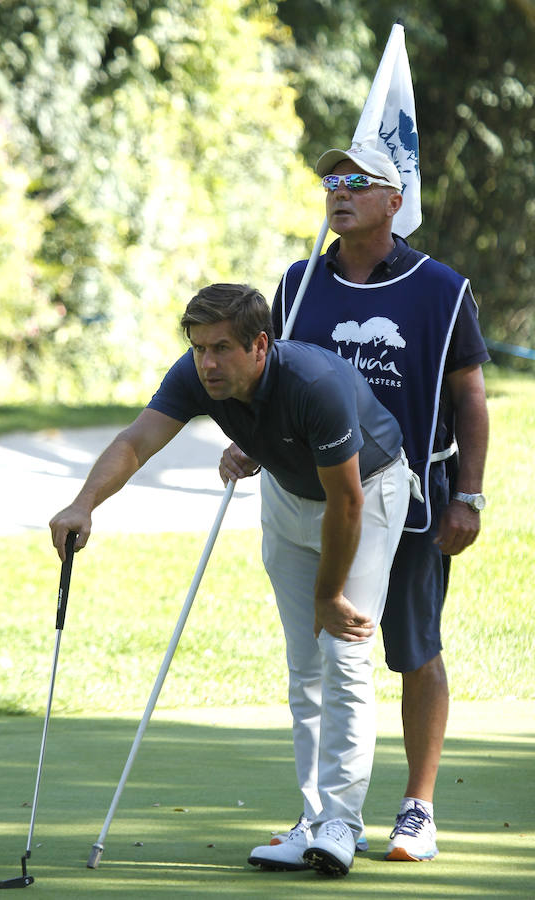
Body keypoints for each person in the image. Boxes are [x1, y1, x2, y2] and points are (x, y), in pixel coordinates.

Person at [50, 282, 418, 877]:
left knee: (344, 651)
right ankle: (313, 818)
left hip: (367, 493)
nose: (208, 363)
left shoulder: (314, 384)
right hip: (289, 492)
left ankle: (341, 828)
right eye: (198, 348)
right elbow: (137, 441)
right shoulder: (197, 375)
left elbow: (345, 502)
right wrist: (83, 504)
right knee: (304, 664)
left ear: (260, 346)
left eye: (221, 348)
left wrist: (329, 596)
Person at [221, 146, 489, 862]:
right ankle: (324, 818)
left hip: (419, 491)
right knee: (324, 652)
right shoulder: (302, 281)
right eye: (332, 182)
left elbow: (469, 396)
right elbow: (273, 378)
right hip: (322, 494)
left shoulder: (442, 288)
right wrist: (255, 443)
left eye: (358, 183)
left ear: (395, 200)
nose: (339, 194)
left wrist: (470, 494)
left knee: (412, 645)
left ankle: (417, 809)